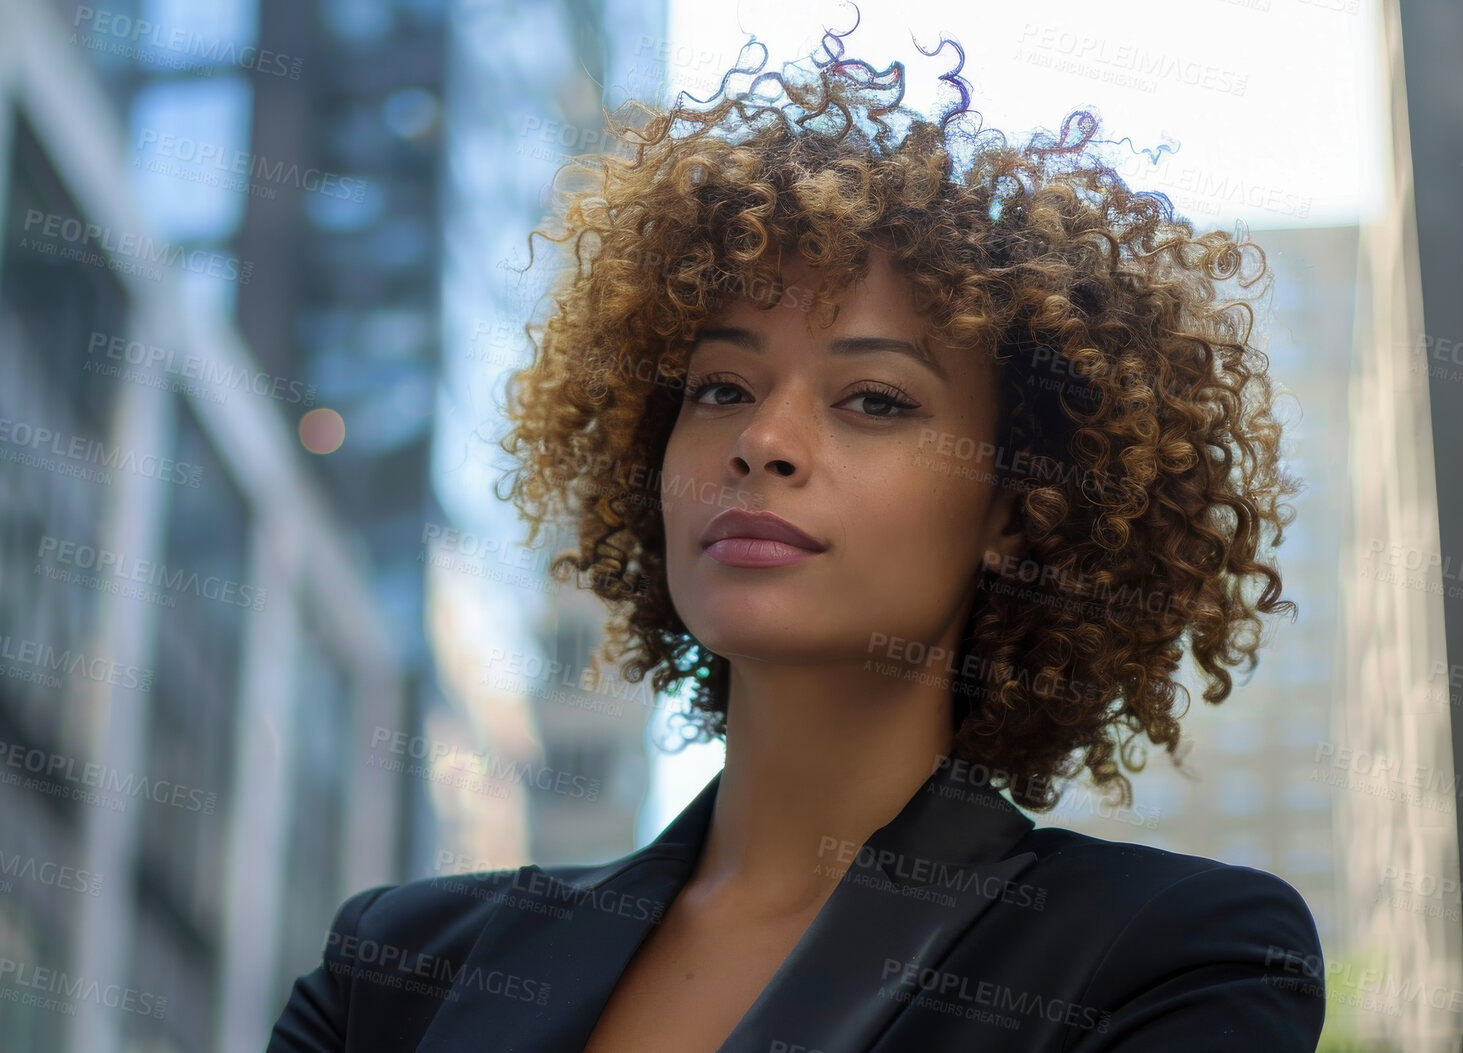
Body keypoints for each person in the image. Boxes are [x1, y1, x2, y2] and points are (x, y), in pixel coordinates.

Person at [267, 19, 1323, 1053]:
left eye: (873, 400)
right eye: (721, 387)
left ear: (1016, 508)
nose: (763, 439)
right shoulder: (395, 974)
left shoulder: (1171, 960)